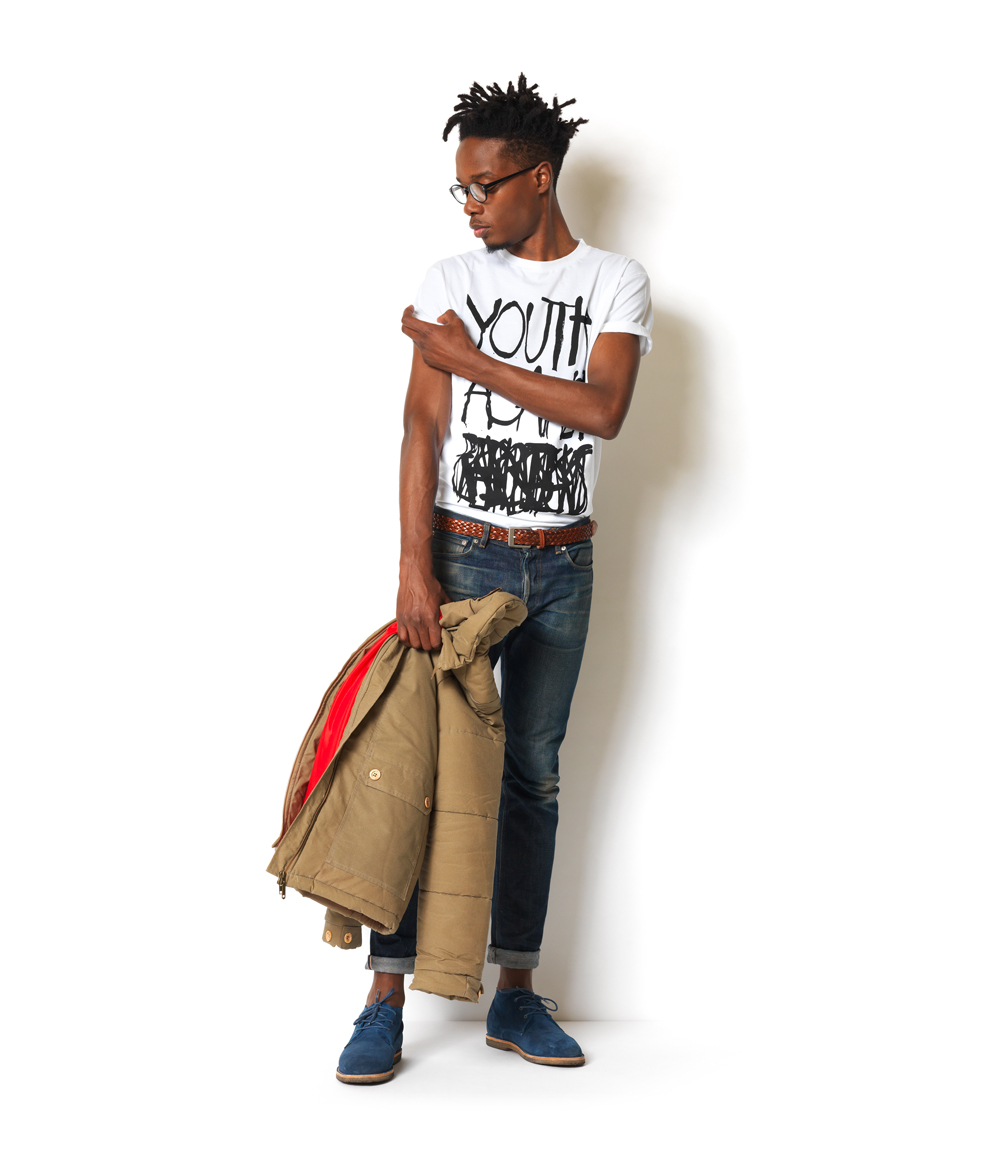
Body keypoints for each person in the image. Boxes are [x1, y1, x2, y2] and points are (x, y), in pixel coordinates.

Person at [336, 75, 652, 1084]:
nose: (469, 205)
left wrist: (466, 360)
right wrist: (412, 565)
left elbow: (602, 410)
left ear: (540, 177)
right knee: (425, 773)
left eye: (485, 186)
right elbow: (420, 427)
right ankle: (384, 996)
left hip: (564, 563)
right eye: (461, 189)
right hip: (465, 553)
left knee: (532, 777)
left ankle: (514, 990)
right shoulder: (450, 277)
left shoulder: (615, 280)